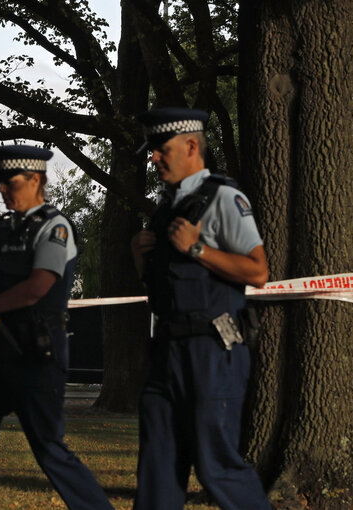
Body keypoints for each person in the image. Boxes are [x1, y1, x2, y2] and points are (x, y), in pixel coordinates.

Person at [0, 145, 113, 510]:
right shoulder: (3, 229)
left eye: (10, 183)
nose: (2, 190)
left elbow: (38, 286)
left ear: (36, 180)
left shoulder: (55, 227)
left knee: (50, 449)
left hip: (34, 354)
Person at [129, 108, 272, 510]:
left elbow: (258, 271)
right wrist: (141, 257)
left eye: (161, 149)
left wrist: (198, 248)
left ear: (191, 145)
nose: (154, 158)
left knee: (216, 468)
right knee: (156, 472)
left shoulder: (225, 198)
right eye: (152, 151)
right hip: (166, 354)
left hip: (213, 351)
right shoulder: (166, 208)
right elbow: (162, 287)